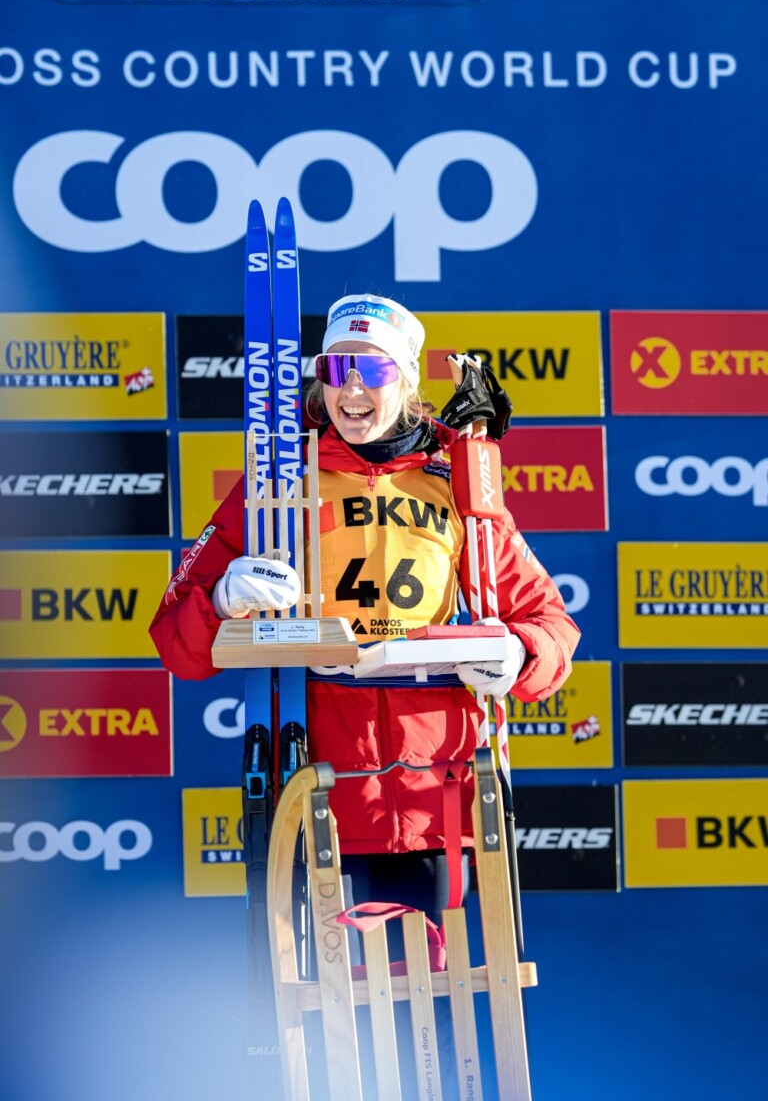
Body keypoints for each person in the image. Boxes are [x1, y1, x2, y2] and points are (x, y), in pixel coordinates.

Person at [150, 292, 579, 1086]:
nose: (351, 389)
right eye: (337, 367)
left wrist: (519, 652)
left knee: (432, 1023)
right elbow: (177, 640)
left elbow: (549, 623)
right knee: (330, 1027)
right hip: (317, 799)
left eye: (372, 370)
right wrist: (223, 597)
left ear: (406, 380)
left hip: (435, 802)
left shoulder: (459, 485)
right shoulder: (279, 482)